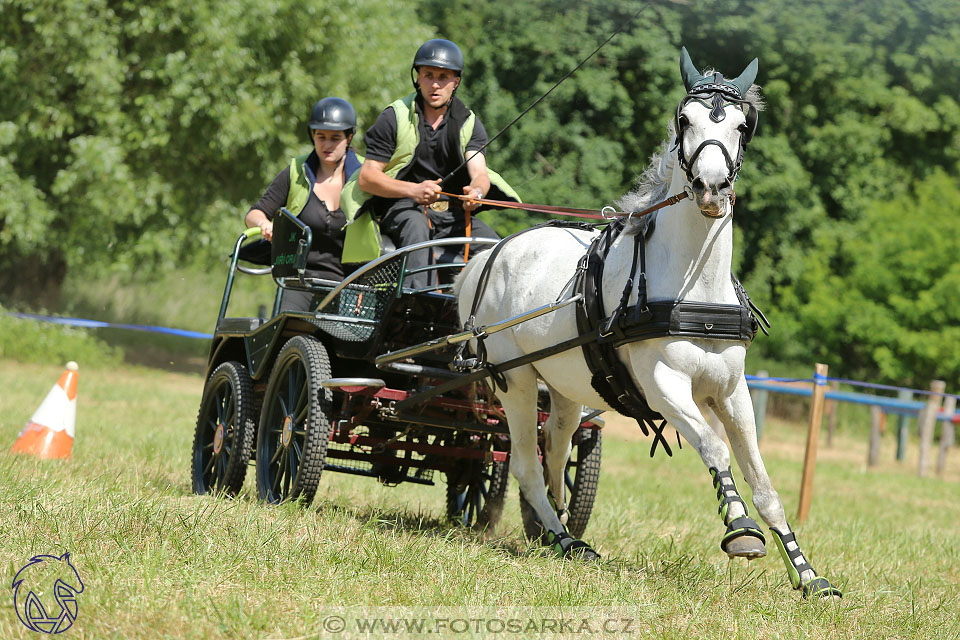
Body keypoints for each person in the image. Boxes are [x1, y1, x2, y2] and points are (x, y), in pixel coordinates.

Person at [340, 39, 520, 289]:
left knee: (499, 250)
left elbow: (479, 173)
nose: (435, 84)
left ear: (456, 81)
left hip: (454, 214)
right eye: (428, 75)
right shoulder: (394, 117)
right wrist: (413, 190)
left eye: (443, 77)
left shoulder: (469, 122)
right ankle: (417, 305)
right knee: (416, 229)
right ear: (418, 78)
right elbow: (368, 177)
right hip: (402, 208)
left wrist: (476, 192)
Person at [245, 97, 363, 311]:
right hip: (298, 280)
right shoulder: (296, 171)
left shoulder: (366, 175)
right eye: (321, 137)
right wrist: (265, 225)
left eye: (335, 138)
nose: (327, 145)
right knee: (288, 331)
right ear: (312, 136)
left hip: (350, 284)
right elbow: (255, 213)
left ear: (349, 137)